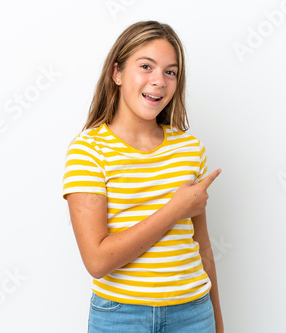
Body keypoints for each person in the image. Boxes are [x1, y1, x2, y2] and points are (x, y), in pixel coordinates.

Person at [62, 20, 224, 333]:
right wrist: (176, 208)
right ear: (117, 73)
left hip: (194, 315)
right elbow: (97, 261)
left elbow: (202, 246)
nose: (159, 81)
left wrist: (217, 323)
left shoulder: (190, 149)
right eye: (146, 66)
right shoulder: (89, 151)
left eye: (170, 71)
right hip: (120, 318)